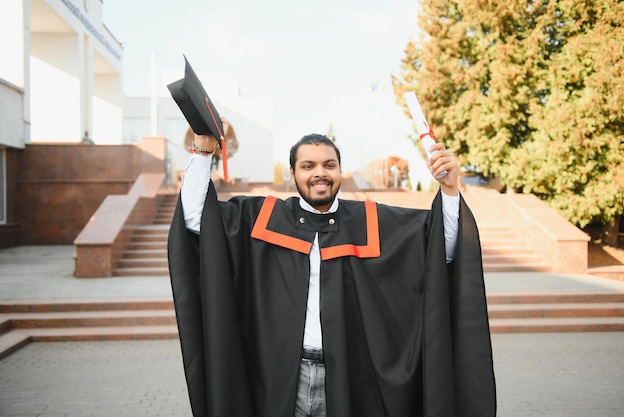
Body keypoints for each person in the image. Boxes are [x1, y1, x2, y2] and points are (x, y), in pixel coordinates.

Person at [168, 125, 496, 417]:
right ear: (292, 173)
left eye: (329, 165)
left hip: (350, 378)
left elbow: (444, 251)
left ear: (340, 170)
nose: (319, 173)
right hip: (279, 376)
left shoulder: (373, 221)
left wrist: (450, 190)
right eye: (307, 166)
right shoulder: (261, 217)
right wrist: (202, 150)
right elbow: (197, 219)